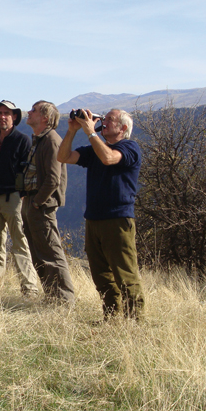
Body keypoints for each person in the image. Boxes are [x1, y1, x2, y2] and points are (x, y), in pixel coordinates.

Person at [57, 108, 145, 320]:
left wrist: (91, 132)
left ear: (123, 128)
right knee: (101, 274)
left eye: (109, 120)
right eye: (103, 119)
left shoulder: (129, 147)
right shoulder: (94, 149)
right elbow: (63, 156)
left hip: (118, 218)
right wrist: (72, 131)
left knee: (125, 273)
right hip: (94, 218)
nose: (104, 122)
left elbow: (109, 158)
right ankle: (111, 317)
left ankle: (136, 320)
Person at [0, 100, 39, 295]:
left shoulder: (23, 140)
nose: (3, 116)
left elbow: (28, 169)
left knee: (20, 242)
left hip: (14, 198)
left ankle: (29, 287)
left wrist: (22, 195)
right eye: (0, 113)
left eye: (7, 113)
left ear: (14, 116)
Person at [21, 101, 75, 304]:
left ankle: (64, 300)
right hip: (33, 201)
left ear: (45, 117)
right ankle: (52, 297)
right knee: (38, 252)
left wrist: (37, 202)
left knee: (51, 251)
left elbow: (54, 178)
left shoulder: (52, 140)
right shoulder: (39, 140)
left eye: (33, 110)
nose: (29, 112)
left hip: (41, 204)